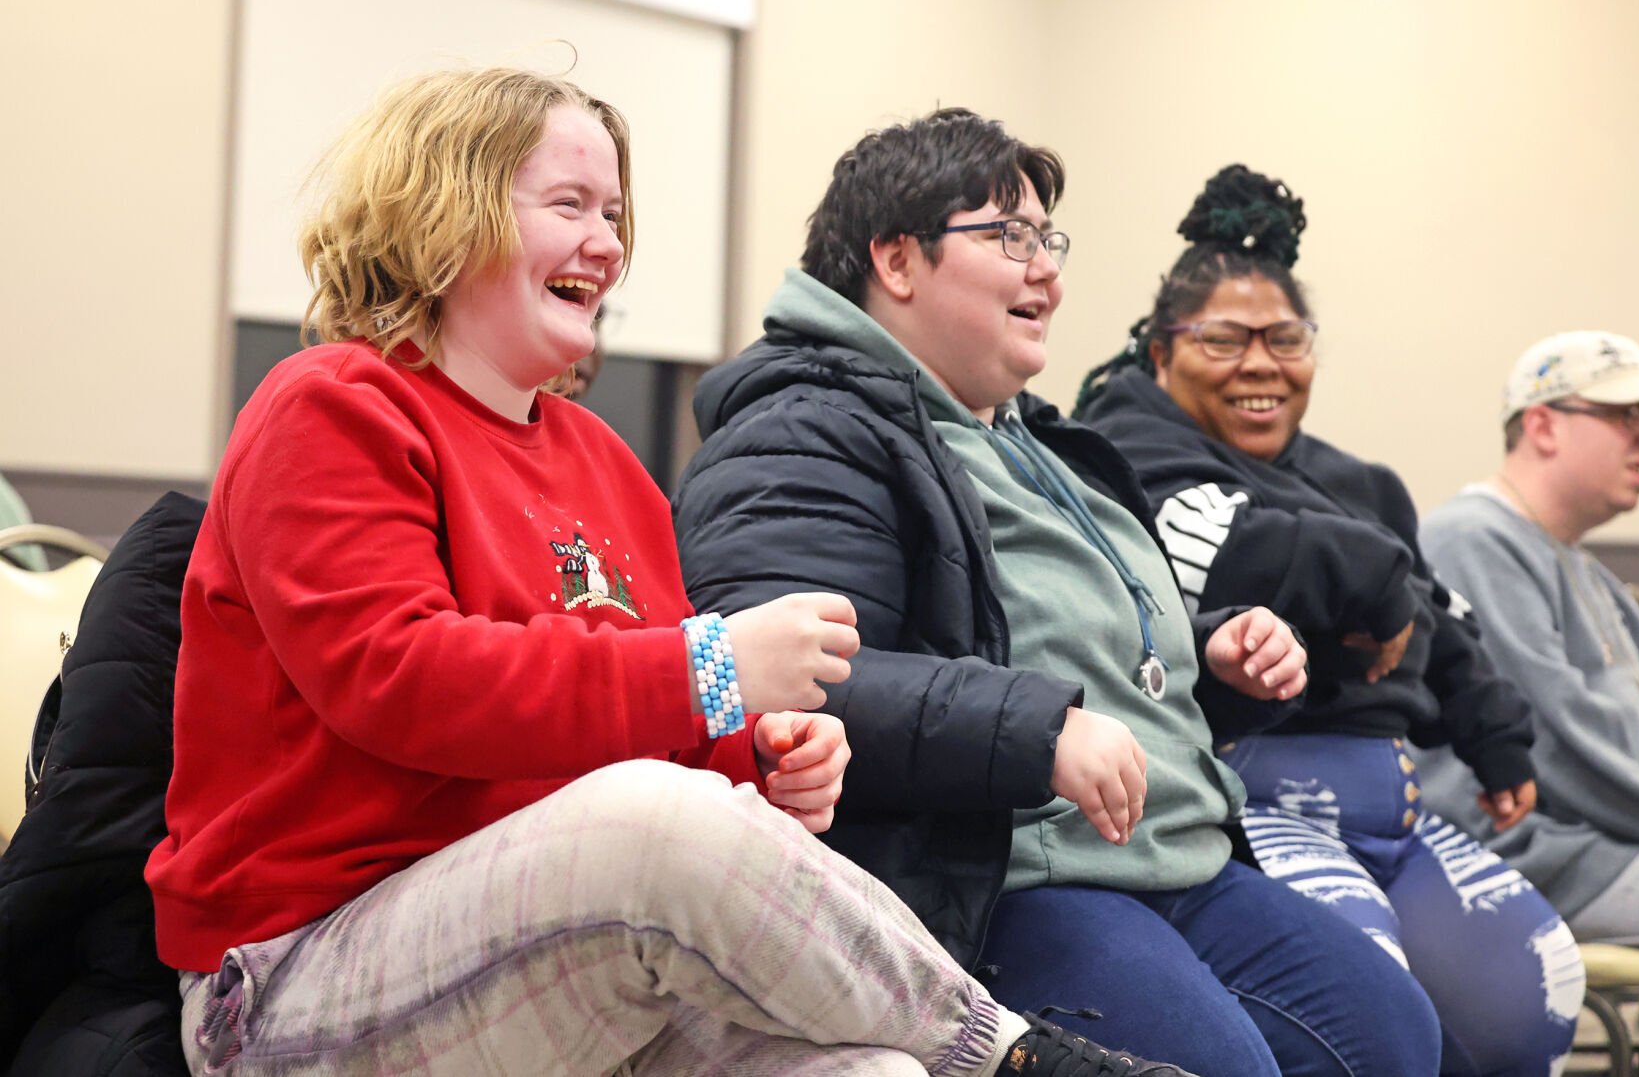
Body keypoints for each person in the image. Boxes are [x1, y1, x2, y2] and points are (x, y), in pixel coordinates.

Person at [145, 67, 1185, 1077]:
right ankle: (1008, 1053)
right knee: (652, 820)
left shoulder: (603, 462)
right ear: (445, 215)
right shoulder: (331, 406)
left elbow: (663, 731)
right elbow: (400, 681)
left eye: (613, 213)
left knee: (872, 1068)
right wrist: (713, 668)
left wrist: (761, 757)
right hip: (292, 981)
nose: (607, 243)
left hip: (561, 952)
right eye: (568, 205)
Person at [674, 110, 1445, 1077]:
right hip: (994, 879)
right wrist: (1039, 732)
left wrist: (1209, 658)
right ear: (896, 259)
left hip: (1173, 856)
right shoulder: (798, 432)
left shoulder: (1036, 437)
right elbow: (794, 685)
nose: (1046, 271)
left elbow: (1058, 642)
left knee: (1393, 1035)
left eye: (1048, 240)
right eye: (1009, 237)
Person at [1072, 165, 1585, 1076]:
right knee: (1375, 1020)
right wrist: (1376, 577)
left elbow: (1439, 616)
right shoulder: (1120, 448)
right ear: (1159, 353)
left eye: (1285, 338)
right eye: (1223, 339)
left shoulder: (1359, 482)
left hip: (1397, 808)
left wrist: (1494, 736)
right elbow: (1246, 549)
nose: (1260, 363)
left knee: (1531, 994)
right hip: (1253, 809)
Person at [1413, 330, 1639, 1073]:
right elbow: (1575, 759)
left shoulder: (1587, 571)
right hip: (1536, 857)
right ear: (1542, 425)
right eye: (1629, 418)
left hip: (1603, 844)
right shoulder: (1471, 541)